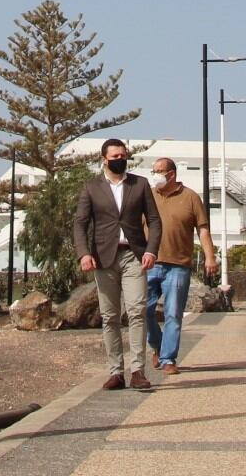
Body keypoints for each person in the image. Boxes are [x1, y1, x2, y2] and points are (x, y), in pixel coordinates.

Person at [73, 137, 162, 390]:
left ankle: (137, 371)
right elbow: (80, 223)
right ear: (104, 159)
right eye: (115, 157)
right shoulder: (91, 188)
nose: (120, 159)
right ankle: (116, 372)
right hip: (103, 257)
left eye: (123, 155)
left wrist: (151, 250)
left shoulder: (140, 184)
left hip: (134, 256)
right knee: (110, 316)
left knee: (136, 311)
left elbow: (154, 220)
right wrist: (83, 254)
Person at [145, 155, 216, 376]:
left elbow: (202, 229)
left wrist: (210, 257)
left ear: (171, 174)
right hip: (149, 262)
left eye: (159, 171)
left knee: (173, 312)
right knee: (142, 309)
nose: (155, 175)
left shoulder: (191, 198)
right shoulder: (147, 196)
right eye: (154, 170)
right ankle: (156, 344)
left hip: (178, 264)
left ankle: (168, 358)